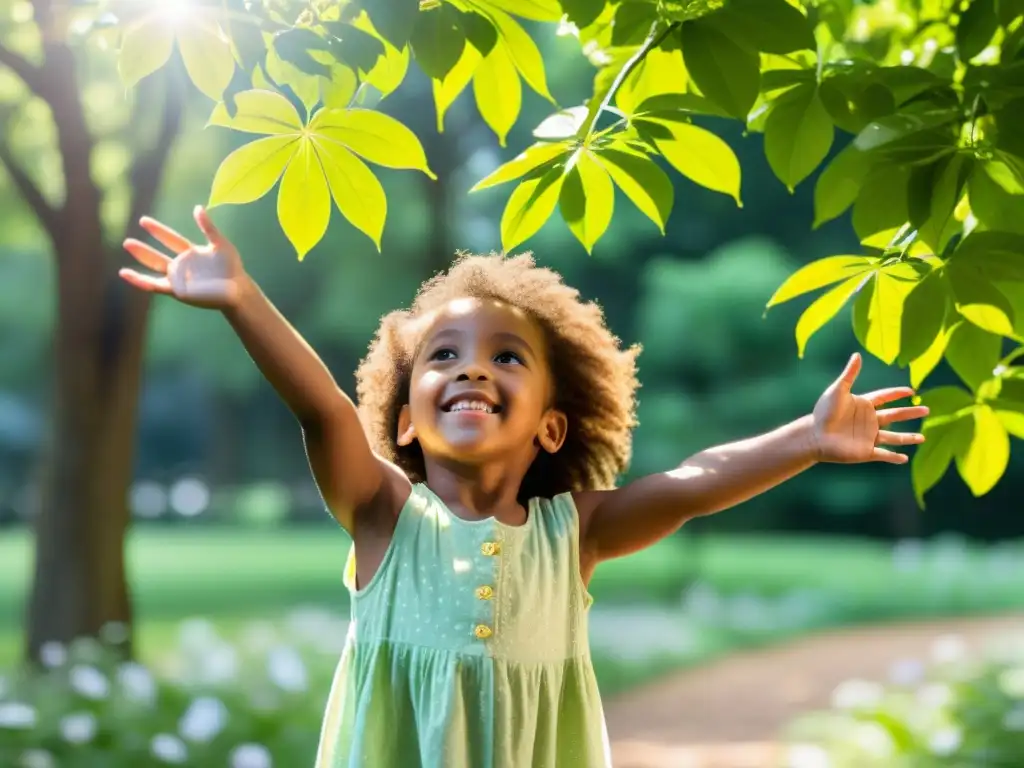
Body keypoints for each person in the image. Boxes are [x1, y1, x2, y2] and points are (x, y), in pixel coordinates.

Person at [121, 206, 928, 768]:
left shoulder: (572, 532)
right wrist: (242, 300)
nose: (472, 365)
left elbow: (690, 484)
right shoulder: (382, 516)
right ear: (404, 422)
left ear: (551, 425)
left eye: (507, 356)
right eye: (443, 356)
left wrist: (806, 440)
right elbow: (321, 408)